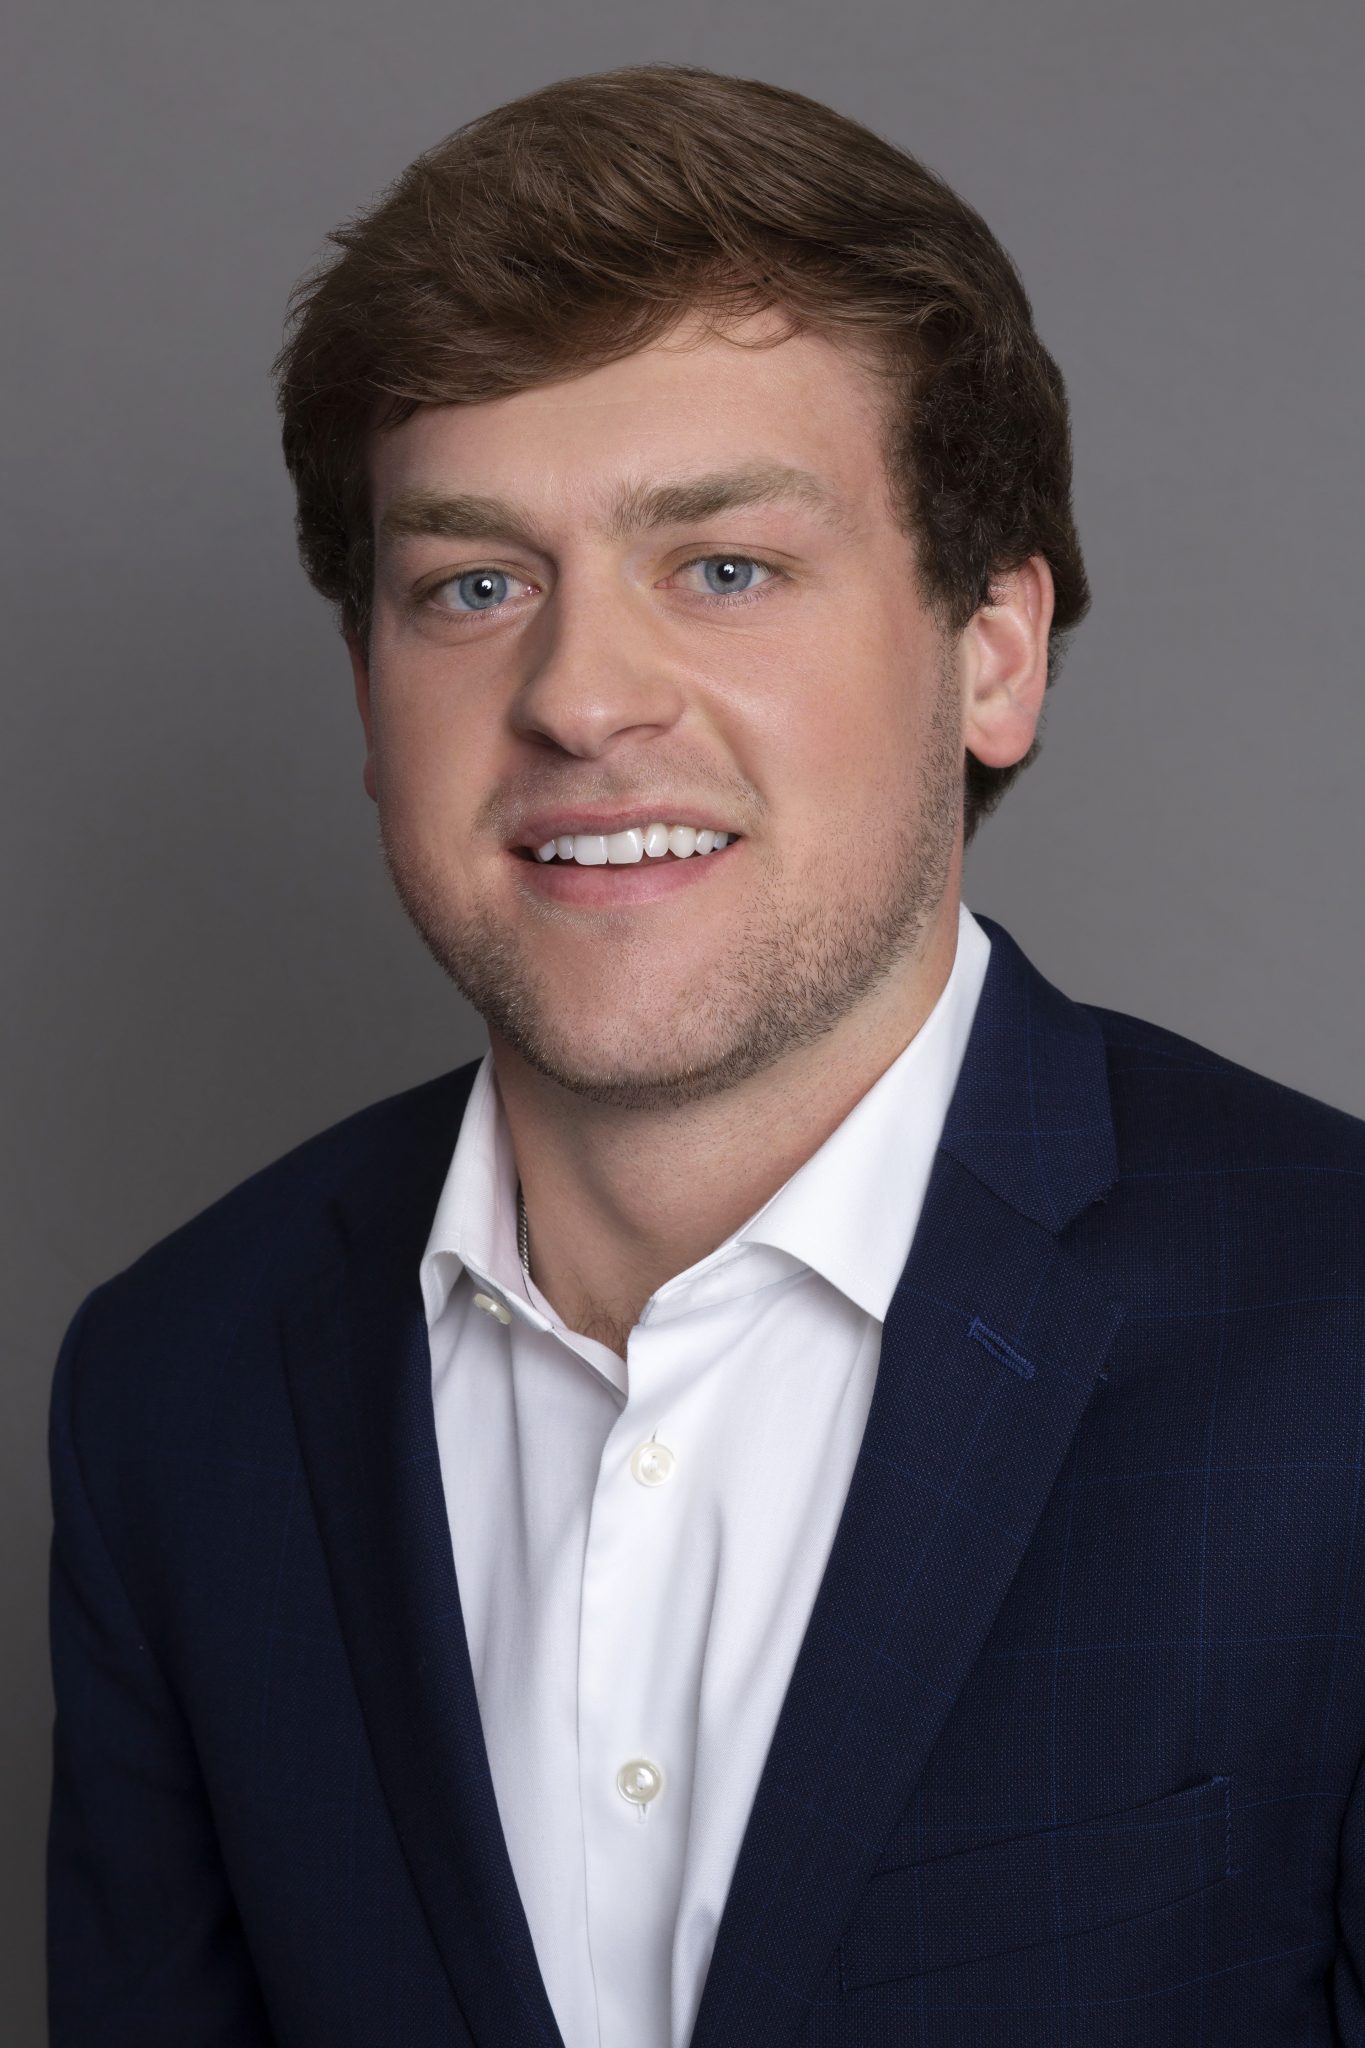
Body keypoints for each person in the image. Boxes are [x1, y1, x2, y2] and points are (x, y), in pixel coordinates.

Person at [45, 61, 1365, 2048]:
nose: (578, 694)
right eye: (470, 586)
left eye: (722, 566)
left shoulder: (1338, 1333)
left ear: (990, 651)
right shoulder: (174, 1389)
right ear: (366, 684)